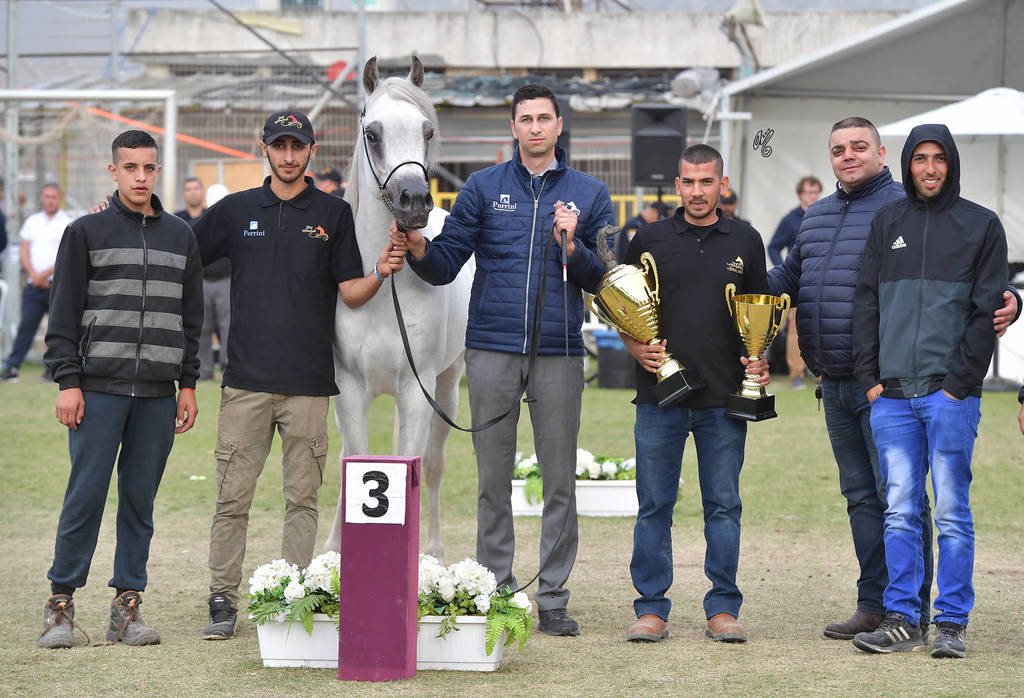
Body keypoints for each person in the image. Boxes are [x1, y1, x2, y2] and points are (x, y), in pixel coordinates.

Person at [767, 117, 1019, 643]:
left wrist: (961, 378)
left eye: (860, 147)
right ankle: (888, 611)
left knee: (937, 510)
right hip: (866, 389)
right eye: (839, 149)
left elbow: (985, 301)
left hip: (928, 391)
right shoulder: (837, 219)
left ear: (884, 154)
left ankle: (939, 619)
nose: (848, 156)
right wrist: (731, 268)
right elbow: (834, 293)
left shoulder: (952, 219)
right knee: (883, 505)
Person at [390, 84, 613, 637]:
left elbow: (608, 274)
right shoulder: (482, 188)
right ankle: (496, 587)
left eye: (544, 118)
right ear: (512, 129)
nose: (534, 128)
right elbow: (446, 264)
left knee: (559, 478)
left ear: (559, 125)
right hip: (489, 349)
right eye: (524, 120)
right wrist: (418, 249)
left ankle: (554, 596)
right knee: (492, 477)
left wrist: (574, 248)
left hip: (560, 352)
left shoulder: (591, 193)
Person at [193, 110, 404, 640]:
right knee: (232, 498)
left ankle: (290, 595)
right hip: (245, 383)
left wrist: (380, 269)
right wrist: (131, 219)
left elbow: (350, 292)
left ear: (312, 151)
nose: (288, 155)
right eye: (279, 145)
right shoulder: (237, 209)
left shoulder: (333, 215)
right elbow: (183, 252)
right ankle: (223, 599)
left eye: (298, 146)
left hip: (310, 385)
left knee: (302, 500)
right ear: (263, 148)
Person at [38, 130, 203, 649]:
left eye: (148, 168)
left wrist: (188, 383)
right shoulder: (85, 230)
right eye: (130, 167)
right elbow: (61, 313)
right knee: (84, 496)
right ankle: (60, 604)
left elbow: (191, 319)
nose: (140, 176)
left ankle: (127, 609)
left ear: (158, 171)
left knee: (139, 503)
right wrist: (68, 381)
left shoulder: (181, 235)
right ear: (114, 171)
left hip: (157, 394)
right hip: (98, 390)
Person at [851, 125, 1007, 658]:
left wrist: (959, 387)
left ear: (952, 163)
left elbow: (988, 311)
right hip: (891, 398)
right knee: (898, 511)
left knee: (951, 514)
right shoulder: (885, 222)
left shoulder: (981, 226)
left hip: (949, 399)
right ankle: (901, 619)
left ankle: (951, 623)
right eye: (921, 158)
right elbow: (866, 303)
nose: (931, 168)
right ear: (907, 164)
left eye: (940, 158)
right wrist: (872, 381)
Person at [620, 144, 768, 645]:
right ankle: (651, 608)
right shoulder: (648, 239)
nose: (698, 191)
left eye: (708, 182)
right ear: (677, 185)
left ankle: (723, 607)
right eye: (689, 182)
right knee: (654, 504)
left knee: (723, 504)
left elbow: (759, 316)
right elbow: (621, 305)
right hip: (658, 397)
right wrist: (634, 346)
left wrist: (760, 359)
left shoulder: (747, 240)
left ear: (721, 184)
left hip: (724, 398)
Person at [1, 183, 72, 382]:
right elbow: (24, 250)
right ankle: (12, 367)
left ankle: (52, 370)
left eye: (54, 197)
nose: (50, 200)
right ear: (42, 198)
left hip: (56, 285)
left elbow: (66, 255)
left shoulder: (67, 222)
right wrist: (34, 274)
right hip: (34, 284)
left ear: (59, 198)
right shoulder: (32, 221)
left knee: (58, 329)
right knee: (26, 327)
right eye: (47, 196)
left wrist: (45, 274)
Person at [767, 176, 822, 390]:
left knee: (822, 327)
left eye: (816, 192)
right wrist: (786, 271)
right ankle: (797, 374)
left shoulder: (823, 215)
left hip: (820, 283)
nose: (813, 196)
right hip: (797, 284)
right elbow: (773, 246)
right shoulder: (790, 219)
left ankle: (821, 374)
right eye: (809, 192)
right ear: (800, 194)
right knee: (795, 330)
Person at [175, 177, 231, 380]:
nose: (192, 192)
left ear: (202, 192)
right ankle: (204, 370)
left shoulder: (213, 216)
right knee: (202, 326)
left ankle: (228, 368)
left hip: (225, 279)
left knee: (228, 327)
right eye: (188, 189)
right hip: (198, 282)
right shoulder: (179, 220)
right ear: (184, 193)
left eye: (196, 188)